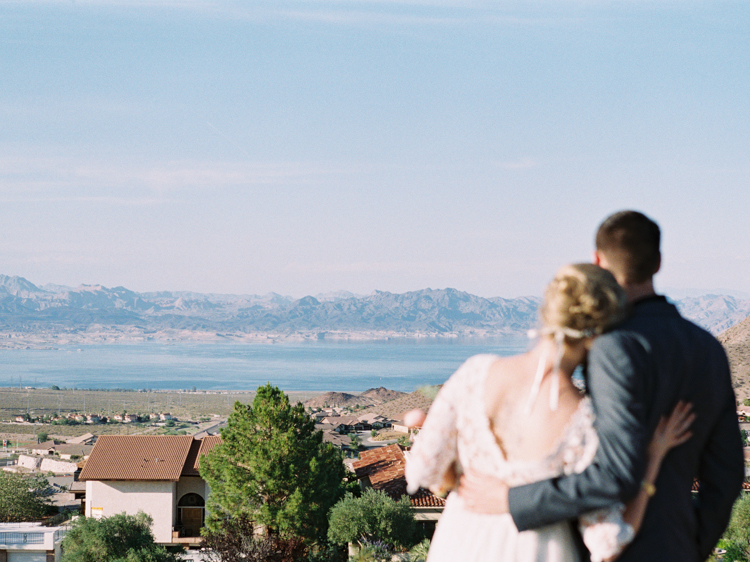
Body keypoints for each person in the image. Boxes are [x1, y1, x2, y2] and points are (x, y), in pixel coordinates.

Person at [458, 211, 744, 562]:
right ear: (658, 262)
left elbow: (616, 474)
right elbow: (728, 473)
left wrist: (512, 499)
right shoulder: (707, 347)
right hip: (675, 545)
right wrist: (692, 545)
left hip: (614, 549)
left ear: (599, 260)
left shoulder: (613, 345)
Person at [405, 262, 694, 562]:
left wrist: (456, 471)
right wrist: (654, 459)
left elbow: (424, 472)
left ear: (546, 314)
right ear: (599, 335)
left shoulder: (474, 374)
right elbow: (607, 542)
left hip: (461, 542)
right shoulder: (587, 422)